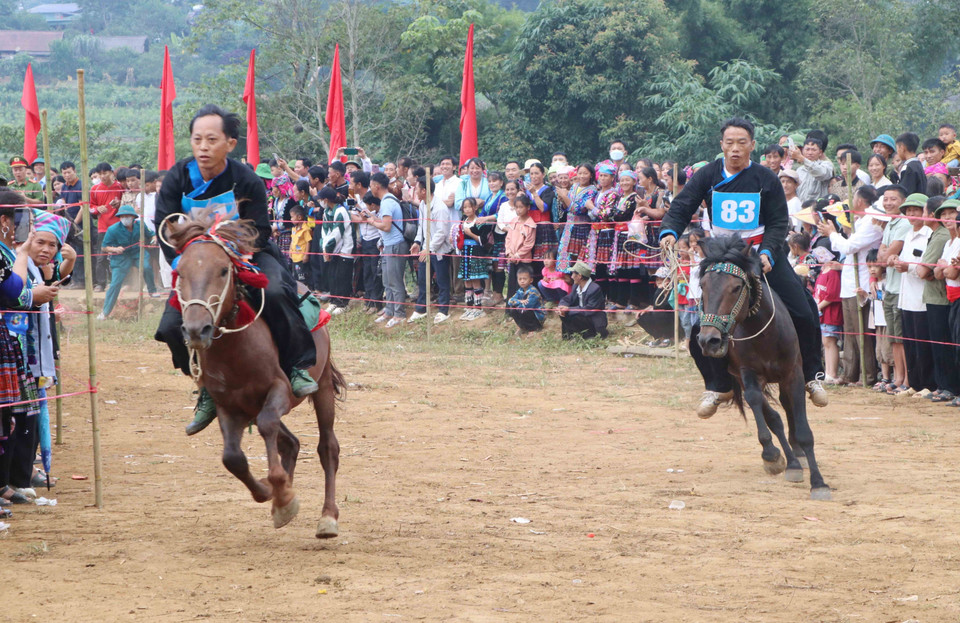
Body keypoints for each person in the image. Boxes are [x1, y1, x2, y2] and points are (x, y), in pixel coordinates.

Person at [154, 104, 319, 435]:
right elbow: (163, 224)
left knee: (274, 292)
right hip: (197, 261)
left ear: (230, 143)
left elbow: (259, 229)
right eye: (197, 139)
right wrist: (180, 263)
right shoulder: (177, 178)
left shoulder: (247, 180)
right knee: (172, 327)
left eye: (212, 139)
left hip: (249, 255)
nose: (203, 147)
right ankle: (206, 390)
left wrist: (231, 252)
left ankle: (298, 366)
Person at [660, 117, 828, 418]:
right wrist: (670, 231)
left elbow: (778, 222)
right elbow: (682, 206)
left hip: (760, 254)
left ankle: (813, 375)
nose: (735, 149)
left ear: (752, 145)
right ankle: (718, 384)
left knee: (803, 309)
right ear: (721, 145)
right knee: (701, 327)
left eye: (741, 143)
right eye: (729, 143)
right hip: (722, 257)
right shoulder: (707, 175)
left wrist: (766, 253)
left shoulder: (766, 178)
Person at [819, 186, 885, 386]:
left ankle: (867, 375)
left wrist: (832, 233)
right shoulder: (859, 222)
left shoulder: (872, 222)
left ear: (859, 202)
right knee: (849, 334)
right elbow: (849, 252)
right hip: (848, 284)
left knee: (861, 333)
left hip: (862, 284)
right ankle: (850, 374)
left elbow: (849, 246)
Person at [893, 193, 934, 395]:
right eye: (908, 210)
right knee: (909, 342)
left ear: (924, 212)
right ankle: (914, 383)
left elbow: (925, 267)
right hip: (906, 297)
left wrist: (906, 266)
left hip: (921, 298)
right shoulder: (908, 234)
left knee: (923, 344)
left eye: (915, 210)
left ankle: (927, 384)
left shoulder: (928, 235)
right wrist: (895, 260)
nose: (911, 214)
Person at [924, 198, 959, 403]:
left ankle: (953, 387)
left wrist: (945, 267)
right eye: (943, 215)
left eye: (951, 214)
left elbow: (950, 273)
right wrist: (945, 267)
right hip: (951, 297)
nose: (947, 219)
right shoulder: (949, 242)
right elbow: (939, 273)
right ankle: (948, 387)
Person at [876, 185, 910, 393]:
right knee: (893, 337)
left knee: (901, 337)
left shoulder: (904, 223)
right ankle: (897, 377)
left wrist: (884, 254)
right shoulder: (890, 224)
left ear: (902, 202)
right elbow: (882, 258)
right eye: (886, 199)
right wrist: (884, 254)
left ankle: (906, 378)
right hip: (890, 286)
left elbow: (888, 253)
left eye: (893, 199)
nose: (888, 203)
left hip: (901, 289)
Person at [363, 172, 408, 328]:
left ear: (376, 186)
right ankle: (389, 310)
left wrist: (372, 223)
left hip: (395, 245)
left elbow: (387, 226)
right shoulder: (387, 201)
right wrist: (372, 218)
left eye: (370, 185)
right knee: (387, 281)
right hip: (388, 245)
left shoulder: (387, 202)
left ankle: (399, 313)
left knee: (395, 281)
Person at [408, 176, 454, 325]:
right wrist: (417, 242)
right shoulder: (422, 205)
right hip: (425, 248)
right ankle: (421, 308)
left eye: (417, 189)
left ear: (424, 190)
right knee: (423, 278)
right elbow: (421, 226)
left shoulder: (440, 208)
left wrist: (429, 249)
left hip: (439, 250)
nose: (415, 191)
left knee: (442, 280)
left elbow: (442, 232)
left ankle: (443, 310)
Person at [98, 205, 157, 318]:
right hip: (121, 257)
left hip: (137, 252)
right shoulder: (112, 229)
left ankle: (152, 290)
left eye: (128, 216)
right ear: (119, 217)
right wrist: (115, 249)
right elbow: (104, 247)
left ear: (133, 217)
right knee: (115, 283)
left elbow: (152, 235)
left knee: (146, 267)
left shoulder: (140, 225)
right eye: (122, 216)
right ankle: (105, 312)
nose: (125, 218)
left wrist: (154, 239)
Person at [454, 197, 492, 321]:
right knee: (467, 280)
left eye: (469, 206)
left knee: (475, 279)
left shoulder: (480, 222)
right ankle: (469, 307)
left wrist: (470, 234)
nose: (467, 209)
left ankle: (478, 308)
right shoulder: (463, 220)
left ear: (475, 208)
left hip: (475, 251)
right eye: (464, 207)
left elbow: (483, 240)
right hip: (465, 252)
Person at [89, 162, 124, 292]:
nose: (103, 176)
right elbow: (90, 207)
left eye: (105, 173)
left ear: (111, 173)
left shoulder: (120, 187)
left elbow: (126, 203)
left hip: (119, 226)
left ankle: (118, 282)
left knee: (119, 255)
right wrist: (97, 208)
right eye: (100, 174)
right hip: (103, 227)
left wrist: (119, 204)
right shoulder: (95, 189)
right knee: (101, 256)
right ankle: (100, 283)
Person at [557, 261, 608, 339]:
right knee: (564, 314)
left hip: (593, 318)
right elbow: (568, 298)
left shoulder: (594, 289)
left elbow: (589, 309)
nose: (572, 276)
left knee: (573, 315)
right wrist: (562, 306)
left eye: (573, 274)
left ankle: (588, 335)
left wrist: (569, 309)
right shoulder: (575, 286)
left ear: (579, 276)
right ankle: (569, 336)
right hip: (581, 314)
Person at [813, 258, 842, 384]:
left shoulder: (833, 273)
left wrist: (818, 306)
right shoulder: (822, 271)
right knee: (825, 342)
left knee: (830, 340)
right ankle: (828, 372)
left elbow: (832, 294)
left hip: (830, 312)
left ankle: (832, 373)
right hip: (821, 312)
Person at [504, 193, 537, 299]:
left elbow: (528, 244)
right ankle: (510, 310)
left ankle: (523, 310)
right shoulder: (514, 221)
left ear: (528, 207)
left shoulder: (530, 224)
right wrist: (509, 252)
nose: (518, 210)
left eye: (521, 207)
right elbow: (508, 238)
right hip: (512, 258)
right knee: (512, 283)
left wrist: (517, 255)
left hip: (523, 260)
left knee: (523, 283)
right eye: (516, 207)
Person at [791, 136, 834, 203]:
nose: (810, 153)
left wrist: (804, 160)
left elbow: (821, 173)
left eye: (814, 150)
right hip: (801, 209)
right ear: (802, 151)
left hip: (818, 208)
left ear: (820, 152)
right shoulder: (799, 170)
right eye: (807, 149)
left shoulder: (826, 165)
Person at [506, 265, 545, 334]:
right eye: (520, 279)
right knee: (512, 309)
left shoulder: (533, 291)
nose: (522, 281)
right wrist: (520, 301)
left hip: (537, 316)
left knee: (526, 311)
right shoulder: (520, 290)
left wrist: (517, 303)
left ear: (531, 280)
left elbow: (528, 305)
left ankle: (535, 328)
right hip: (525, 311)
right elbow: (510, 301)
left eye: (525, 279)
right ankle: (523, 327)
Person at [288, 204, 312, 284]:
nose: (291, 219)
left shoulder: (305, 229)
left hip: (301, 258)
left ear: (299, 217)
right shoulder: (294, 229)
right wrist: (290, 250)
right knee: (295, 277)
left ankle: (305, 293)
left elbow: (308, 242)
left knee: (302, 277)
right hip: (294, 257)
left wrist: (306, 255)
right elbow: (293, 240)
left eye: (292, 217)